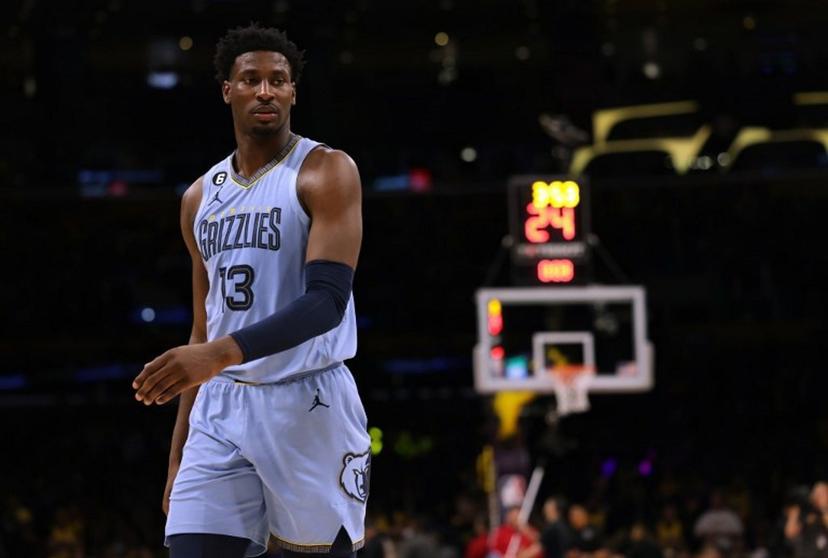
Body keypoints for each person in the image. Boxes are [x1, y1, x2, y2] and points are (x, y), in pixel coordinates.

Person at [131, 23, 368, 558]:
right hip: (222, 406)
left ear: (292, 92)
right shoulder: (199, 197)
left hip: (308, 401)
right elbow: (203, 328)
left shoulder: (325, 171)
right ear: (227, 90)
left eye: (278, 80)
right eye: (251, 79)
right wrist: (179, 454)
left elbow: (327, 303)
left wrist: (218, 354)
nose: (266, 91)